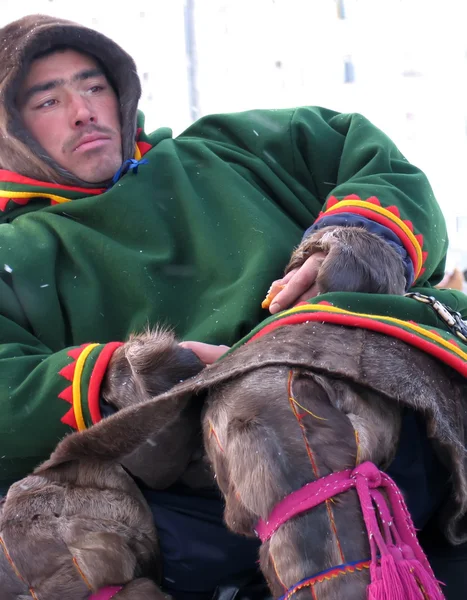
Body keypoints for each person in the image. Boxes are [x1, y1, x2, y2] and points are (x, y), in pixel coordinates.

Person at [0, 13, 466, 600]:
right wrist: (130, 378)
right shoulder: (12, 251)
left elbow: (373, 160)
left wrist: (350, 244)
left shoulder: (226, 150)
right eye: (47, 101)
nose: (83, 110)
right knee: (37, 539)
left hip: (340, 373)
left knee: (268, 413)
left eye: (94, 86)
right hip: (163, 463)